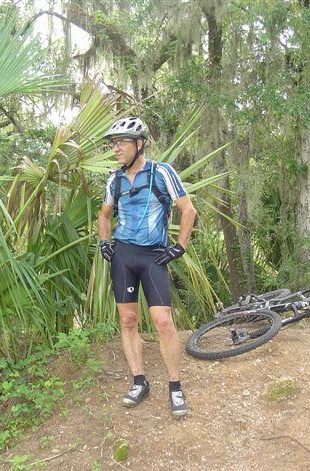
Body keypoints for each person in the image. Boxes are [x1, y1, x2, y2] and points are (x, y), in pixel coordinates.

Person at [97, 117, 197, 417]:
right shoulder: (114, 180)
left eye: (121, 143)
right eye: (113, 144)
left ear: (139, 144)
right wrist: (105, 242)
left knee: (163, 321)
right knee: (127, 320)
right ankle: (139, 381)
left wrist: (180, 246)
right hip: (124, 256)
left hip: (154, 255)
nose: (115, 149)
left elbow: (188, 209)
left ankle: (175, 386)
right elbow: (104, 215)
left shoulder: (161, 172)